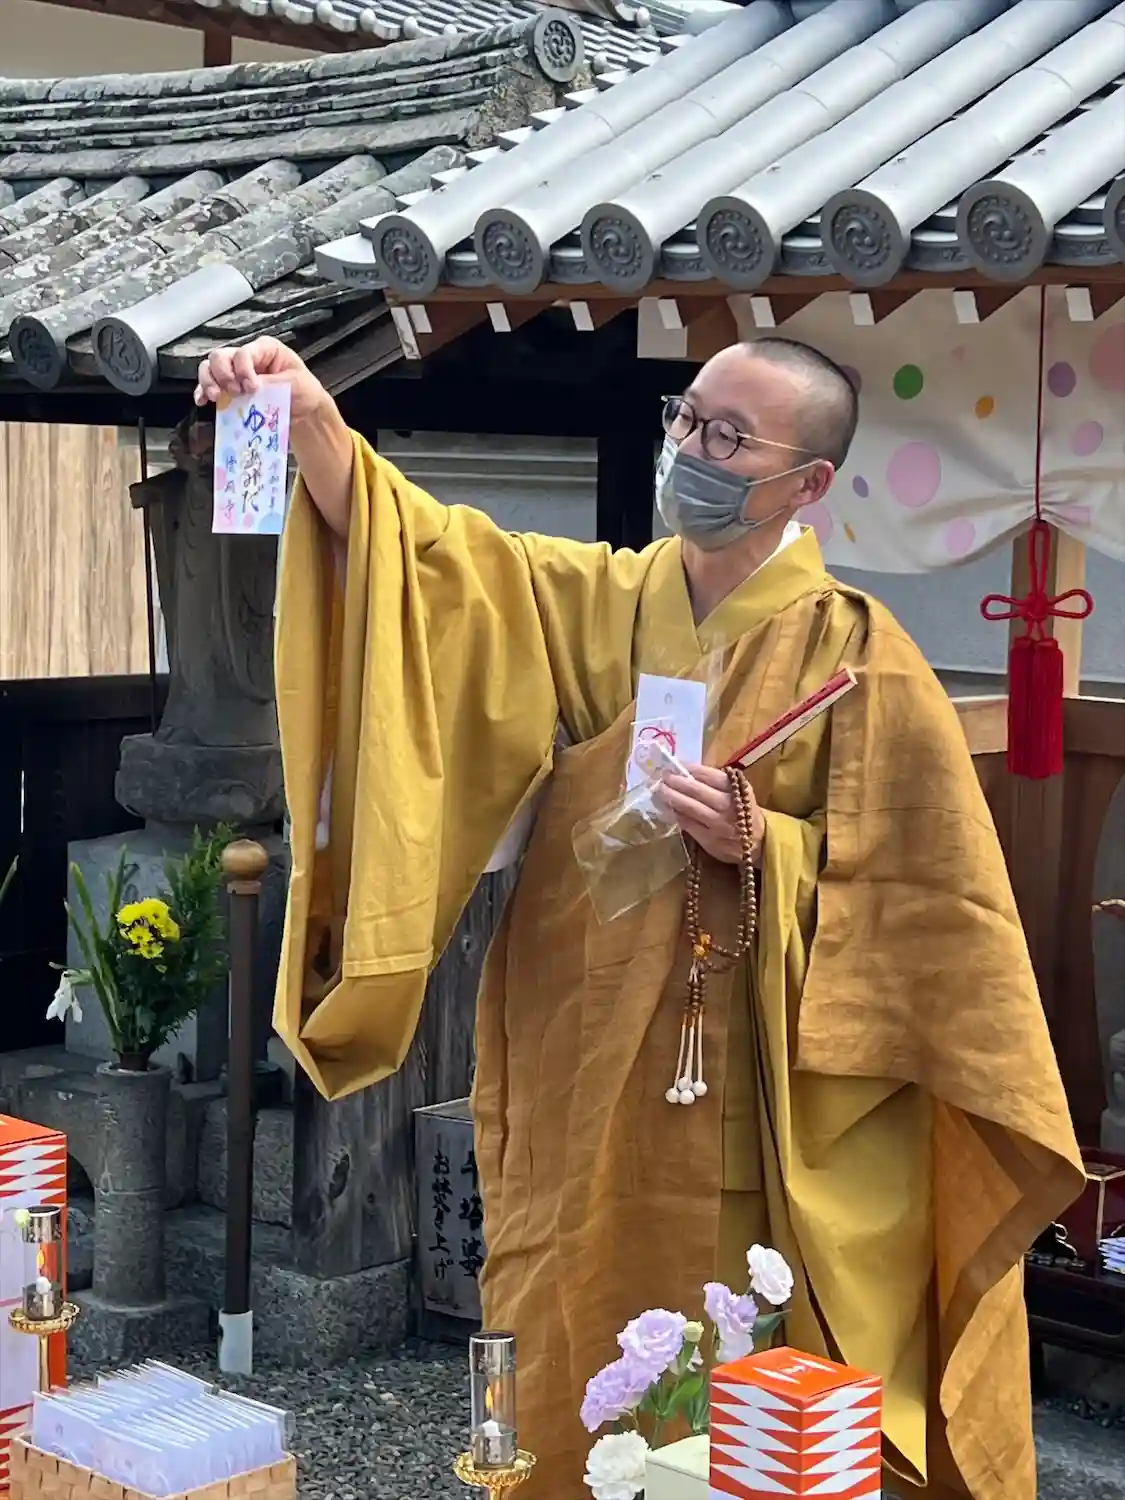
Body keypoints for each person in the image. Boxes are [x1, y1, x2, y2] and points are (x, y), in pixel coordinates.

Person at [197, 335, 1082, 1500]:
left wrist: (769, 845)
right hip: (581, 1052)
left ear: (810, 483)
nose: (693, 451)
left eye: (731, 438)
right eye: (687, 419)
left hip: (755, 1100)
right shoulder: (607, 601)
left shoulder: (862, 653)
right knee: (578, 1317)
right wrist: (313, 420)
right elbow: (434, 564)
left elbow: (927, 907)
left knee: (738, 1353)